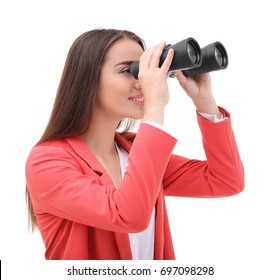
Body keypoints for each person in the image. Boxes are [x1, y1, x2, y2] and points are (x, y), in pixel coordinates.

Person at [25, 28, 244, 260]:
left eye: (144, 70)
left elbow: (225, 180)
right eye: (129, 70)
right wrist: (154, 108)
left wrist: (205, 100)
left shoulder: (133, 150)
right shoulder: (46, 162)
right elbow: (128, 215)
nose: (143, 82)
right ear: (87, 79)